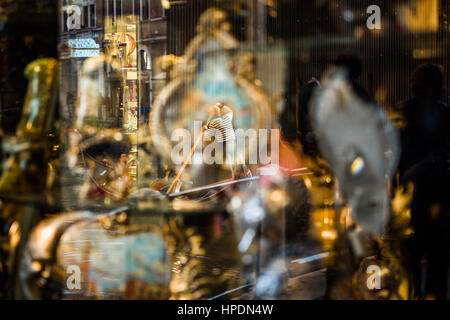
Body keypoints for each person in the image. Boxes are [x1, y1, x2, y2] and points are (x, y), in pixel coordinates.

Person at [397, 63, 450, 299]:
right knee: (438, 262)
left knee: (411, 263)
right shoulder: (446, 112)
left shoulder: (403, 112)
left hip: (410, 196)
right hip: (439, 197)